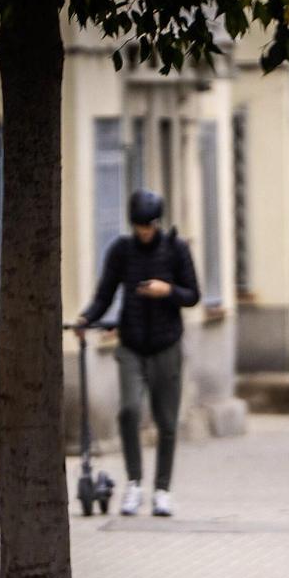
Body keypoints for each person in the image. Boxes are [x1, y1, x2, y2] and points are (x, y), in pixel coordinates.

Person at [76, 189, 199, 518]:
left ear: (157, 223)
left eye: (148, 225)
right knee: (129, 410)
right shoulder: (121, 251)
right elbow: (105, 293)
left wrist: (167, 290)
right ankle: (134, 484)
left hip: (166, 345)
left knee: (166, 421)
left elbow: (193, 295)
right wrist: (86, 317)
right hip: (130, 344)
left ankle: (162, 490)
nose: (143, 231)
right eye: (138, 226)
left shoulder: (175, 249)